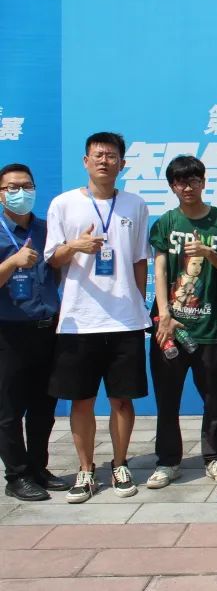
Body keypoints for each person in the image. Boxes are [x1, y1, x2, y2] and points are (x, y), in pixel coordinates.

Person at [44, 132, 152, 503]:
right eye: (98, 155)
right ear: (86, 161)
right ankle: (86, 469)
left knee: (122, 400)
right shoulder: (63, 204)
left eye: (111, 155)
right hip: (79, 320)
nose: (105, 161)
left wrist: (139, 302)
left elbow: (139, 259)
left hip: (125, 320)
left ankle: (120, 464)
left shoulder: (135, 204)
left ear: (122, 163)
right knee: (82, 401)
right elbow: (52, 259)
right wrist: (75, 245)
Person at [146, 156, 217, 489]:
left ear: (204, 182)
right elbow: (160, 268)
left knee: (215, 398)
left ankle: (215, 457)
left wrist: (209, 253)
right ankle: (168, 461)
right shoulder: (167, 222)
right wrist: (164, 313)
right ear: (172, 186)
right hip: (170, 328)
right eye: (180, 182)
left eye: (194, 180)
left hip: (209, 328)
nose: (187, 187)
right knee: (167, 399)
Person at [0, 164, 68, 501]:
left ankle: (39, 467)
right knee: (9, 410)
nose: (20, 193)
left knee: (43, 407)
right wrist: (12, 263)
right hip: (9, 332)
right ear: (1, 194)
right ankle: (17, 476)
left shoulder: (46, 229)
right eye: (12, 187)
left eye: (26, 186)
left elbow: (56, 271)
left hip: (47, 329)